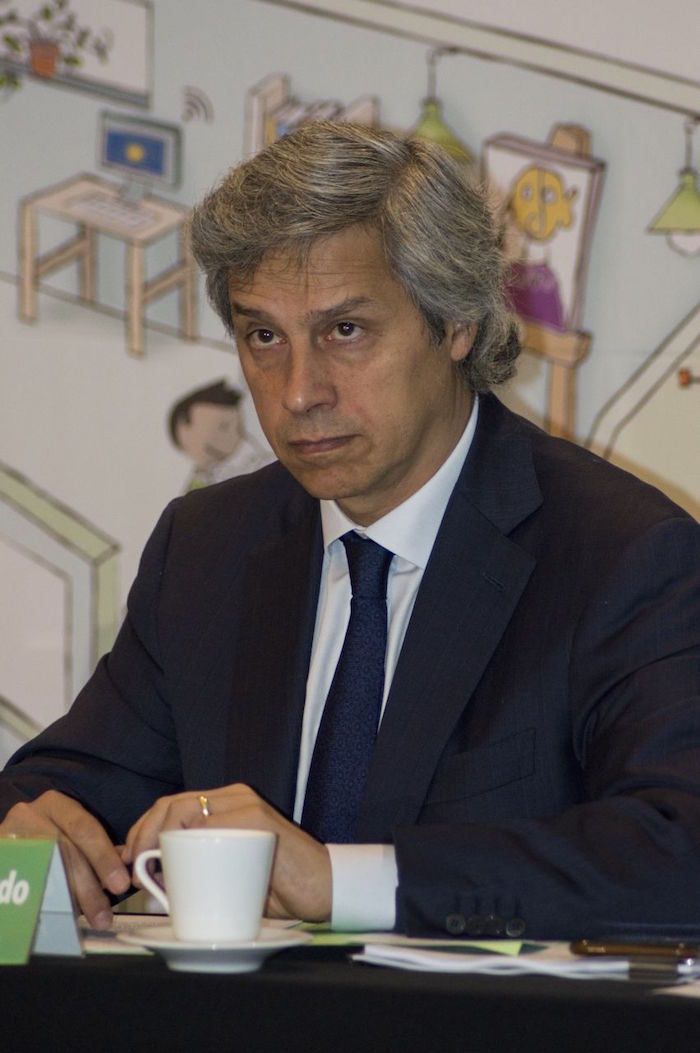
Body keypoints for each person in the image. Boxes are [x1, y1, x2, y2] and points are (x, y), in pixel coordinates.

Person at [1, 122, 699, 940]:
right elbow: (63, 790)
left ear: (455, 323)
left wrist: (338, 881)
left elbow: (679, 849)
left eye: (345, 331)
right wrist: (28, 830)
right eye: (265, 337)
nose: (299, 392)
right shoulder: (208, 546)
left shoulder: (621, 555)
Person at [168, 379, 273, 492]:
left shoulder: (256, 464)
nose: (233, 437)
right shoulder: (201, 479)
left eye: (238, 428)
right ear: (183, 427)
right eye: (223, 426)